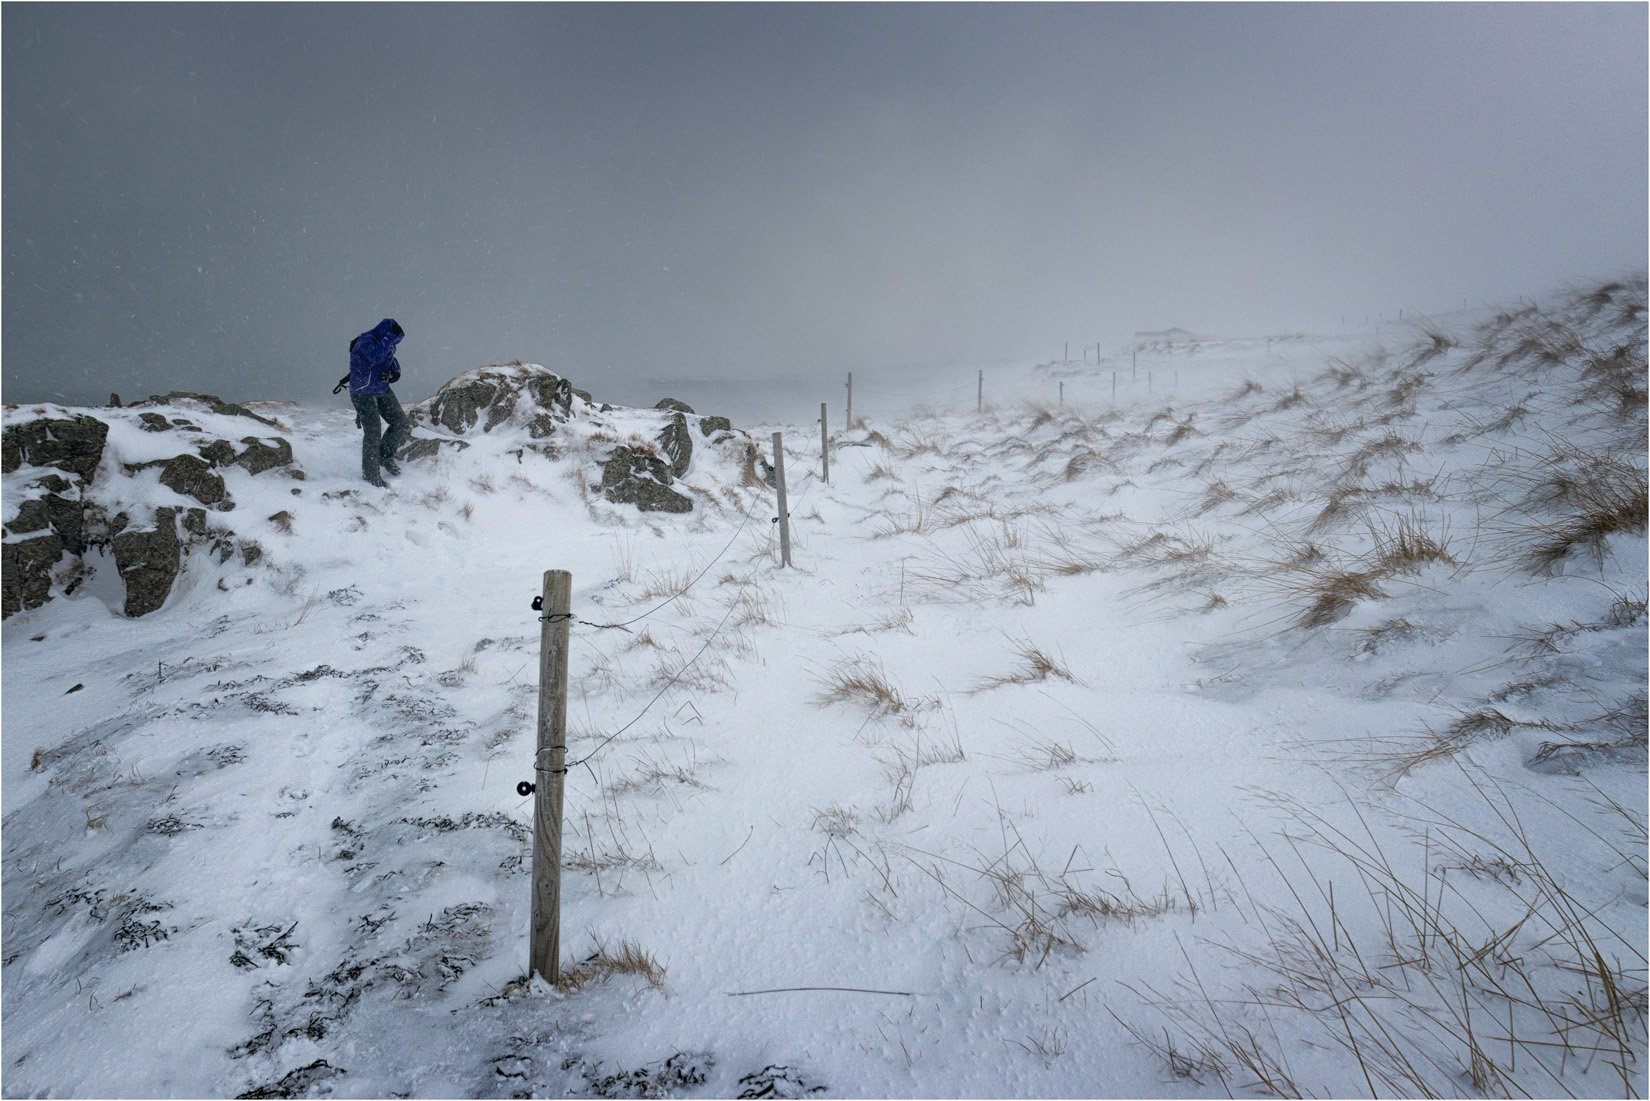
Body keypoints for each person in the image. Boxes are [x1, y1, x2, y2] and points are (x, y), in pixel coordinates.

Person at [348, 318, 410, 487]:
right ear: (385, 332)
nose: (394, 343)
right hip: (362, 392)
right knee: (373, 432)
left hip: (382, 389)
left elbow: (391, 361)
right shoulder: (366, 341)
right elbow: (375, 358)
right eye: (393, 338)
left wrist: (395, 373)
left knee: (400, 423)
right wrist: (389, 337)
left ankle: (384, 456)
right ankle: (370, 474)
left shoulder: (388, 343)